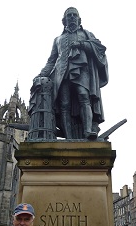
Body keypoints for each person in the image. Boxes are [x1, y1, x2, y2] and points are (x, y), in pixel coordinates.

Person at [34, 7, 108, 140]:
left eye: (75, 15)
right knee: (64, 105)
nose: (72, 17)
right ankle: (69, 137)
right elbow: (51, 60)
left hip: (82, 70)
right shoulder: (58, 39)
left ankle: (87, 131)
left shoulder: (87, 34)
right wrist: (41, 75)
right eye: (69, 16)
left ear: (79, 19)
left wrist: (81, 45)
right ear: (64, 21)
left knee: (84, 97)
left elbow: (99, 48)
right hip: (61, 74)